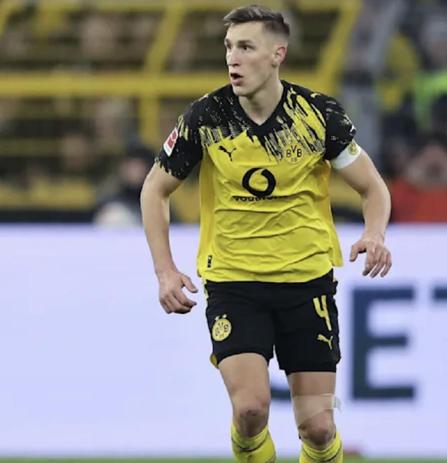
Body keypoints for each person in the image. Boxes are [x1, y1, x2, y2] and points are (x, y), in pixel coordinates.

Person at [139, 5, 392, 463]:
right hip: (235, 283)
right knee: (251, 409)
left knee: (318, 427)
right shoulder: (206, 117)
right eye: (229, 47)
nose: (233, 58)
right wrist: (165, 271)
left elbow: (372, 187)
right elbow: (155, 189)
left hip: (306, 283)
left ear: (278, 54)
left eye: (246, 47)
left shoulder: (318, 116)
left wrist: (375, 234)